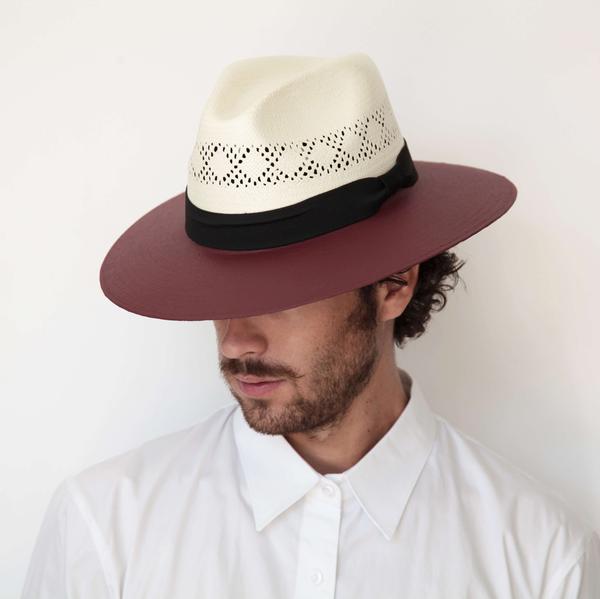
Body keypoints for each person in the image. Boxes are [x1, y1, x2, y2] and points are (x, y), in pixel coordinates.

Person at [21, 52, 600, 598]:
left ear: (395, 284)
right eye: (219, 297)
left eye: (279, 296)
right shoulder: (105, 530)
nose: (236, 341)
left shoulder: (540, 556)